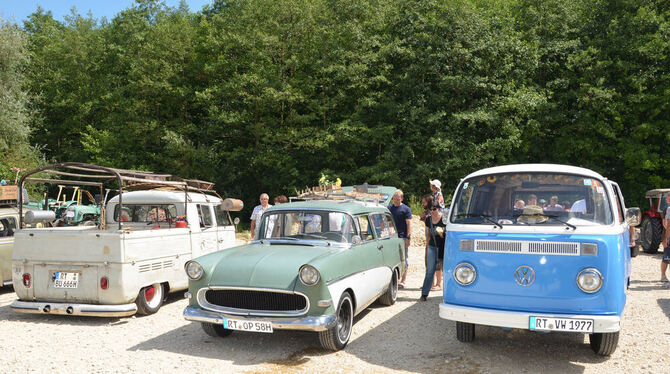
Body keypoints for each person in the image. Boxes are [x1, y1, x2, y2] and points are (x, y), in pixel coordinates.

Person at [420, 201, 446, 301]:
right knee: (430, 270)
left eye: (434, 209)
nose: (432, 211)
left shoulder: (444, 219)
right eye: (430, 209)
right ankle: (424, 294)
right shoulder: (428, 219)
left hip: (443, 248)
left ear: (438, 208)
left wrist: (442, 234)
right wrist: (427, 244)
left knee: (445, 270)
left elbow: (449, 233)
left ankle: (448, 294)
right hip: (432, 246)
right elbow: (427, 233)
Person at [387, 189, 412, 288]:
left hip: (402, 237)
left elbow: (409, 224)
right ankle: (395, 279)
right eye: (394, 199)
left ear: (401, 198)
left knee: (404, 258)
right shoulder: (389, 208)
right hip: (392, 237)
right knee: (393, 259)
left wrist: (408, 237)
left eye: (398, 199)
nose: (396, 200)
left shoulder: (406, 209)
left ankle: (403, 280)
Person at [661, 193, 670, 283]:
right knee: (666, 258)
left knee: (667, 257)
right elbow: (665, 223)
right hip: (668, 233)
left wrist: (666, 238)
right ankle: (663, 275)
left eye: (667, 197)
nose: (666, 199)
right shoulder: (667, 209)